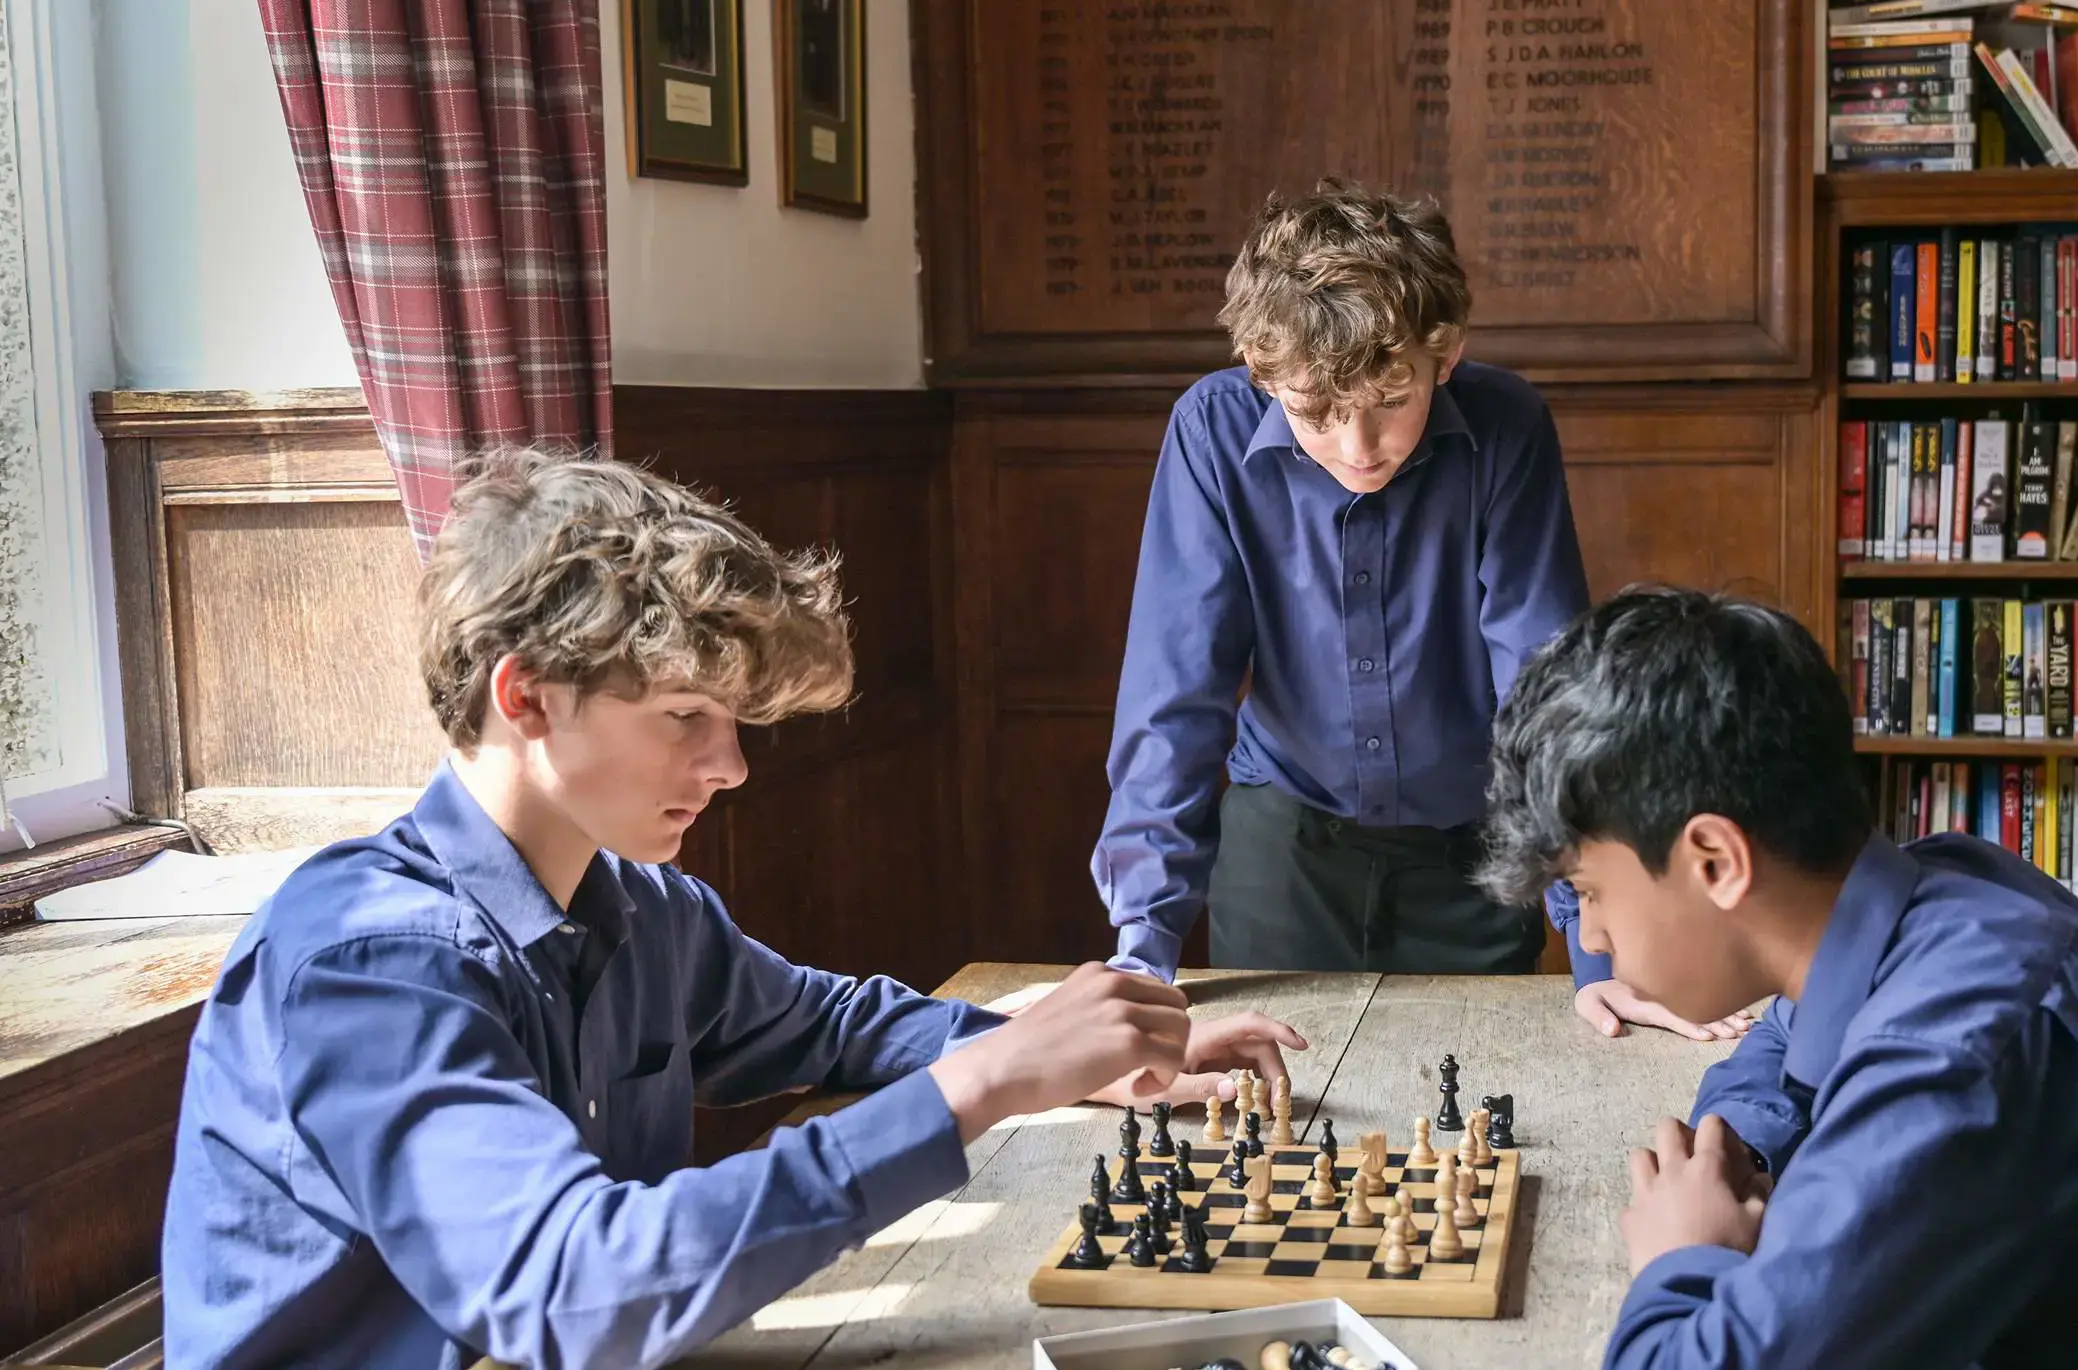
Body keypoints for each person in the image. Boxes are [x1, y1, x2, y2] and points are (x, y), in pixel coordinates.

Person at [160, 449, 1304, 1370]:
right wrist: (987, 1082)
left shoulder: (647, 911)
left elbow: (839, 1024)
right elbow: (575, 1288)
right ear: (526, 696)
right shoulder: (369, 965)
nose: (732, 764)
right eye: (684, 713)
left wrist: (1078, 1048)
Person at [1474, 586, 2078, 1369]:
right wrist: (1734, 1146)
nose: (1586, 933)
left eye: (1588, 891)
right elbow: (1790, 1027)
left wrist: (1679, 1254)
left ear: (1714, 859)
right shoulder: (1939, 887)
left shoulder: (1963, 1055)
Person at [1089, 180, 1744, 1042]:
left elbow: (1542, 688)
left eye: (1391, 402)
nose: (1359, 448)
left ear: (1449, 351)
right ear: (1262, 371)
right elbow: (1176, 695)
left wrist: (1600, 950)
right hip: (1283, 849)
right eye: (1316, 413)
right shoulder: (1210, 430)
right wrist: (1144, 945)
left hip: (1475, 853)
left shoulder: (1508, 426)